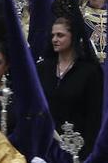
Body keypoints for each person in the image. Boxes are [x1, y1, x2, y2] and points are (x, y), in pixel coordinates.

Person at [37, 14, 104, 152]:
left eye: (60, 35)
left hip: (77, 146)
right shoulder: (43, 68)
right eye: (53, 35)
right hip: (46, 146)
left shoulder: (89, 72)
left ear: (73, 36)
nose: (55, 39)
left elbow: (94, 115)